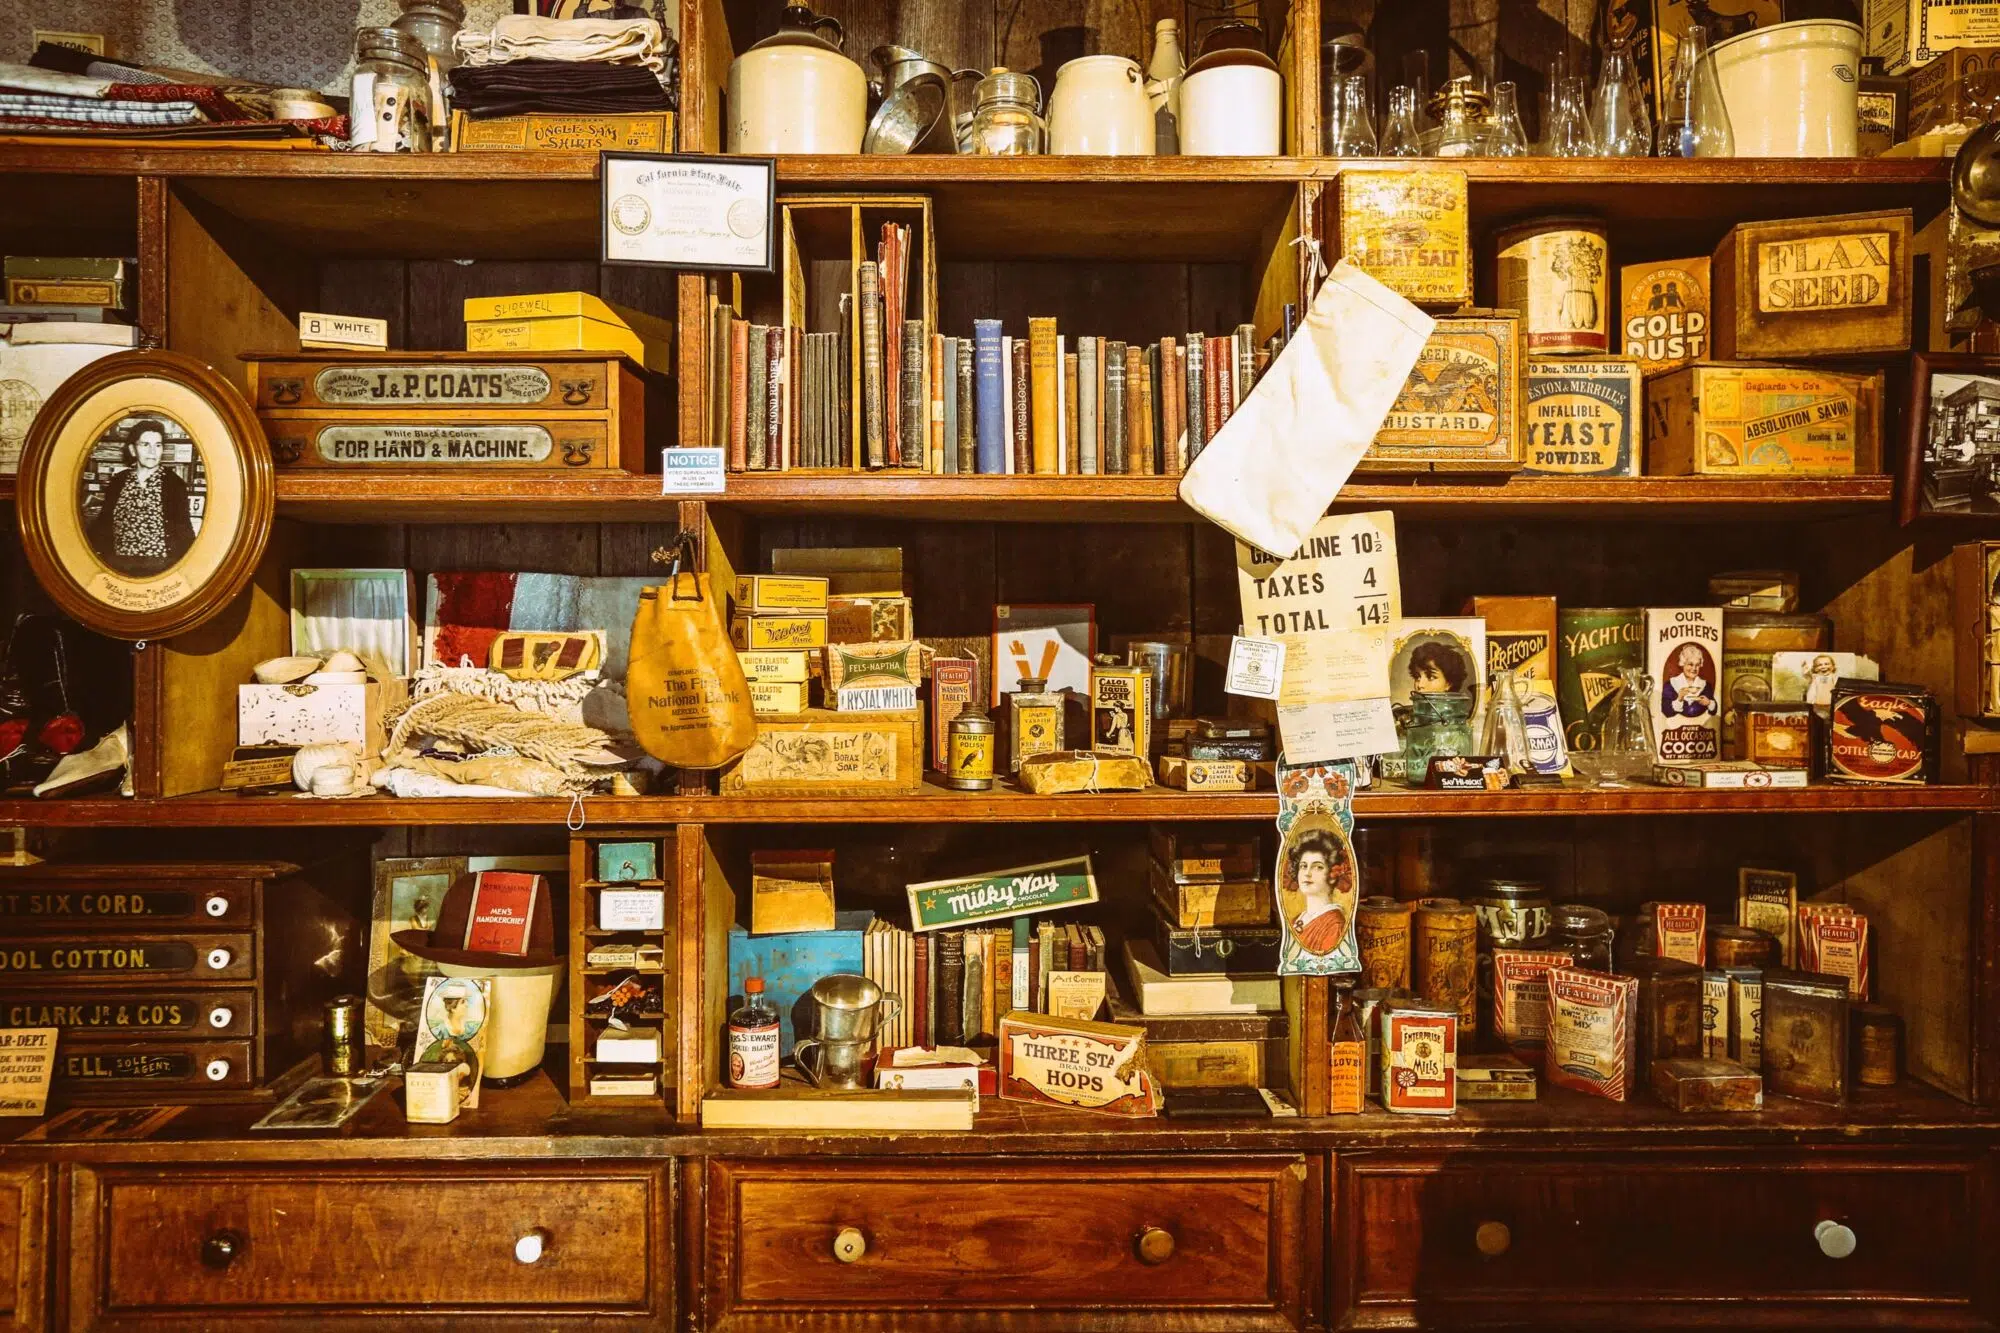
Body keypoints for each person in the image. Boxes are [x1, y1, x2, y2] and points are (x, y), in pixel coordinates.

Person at [85, 418, 196, 578]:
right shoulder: (118, 481)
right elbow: (103, 524)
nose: (152, 451)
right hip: (119, 565)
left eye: (158, 445)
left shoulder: (175, 484)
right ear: (132, 450)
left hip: (161, 566)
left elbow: (184, 530)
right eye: (145, 445)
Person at [1286, 827, 1354, 956]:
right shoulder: (1297, 920)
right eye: (1303, 866)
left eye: (1318, 867)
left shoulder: (1334, 925)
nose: (1307, 873)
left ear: (1333, 875)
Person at [1660, 643, 1713, 717]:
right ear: (1683, 664)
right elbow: (1665, 712)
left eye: (1697, 665)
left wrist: (1709, 703)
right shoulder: (1670, 685)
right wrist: (1679, 699)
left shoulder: (1706, 686)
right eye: (1690, 664)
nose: (1694, 668)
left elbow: (1714, 712)